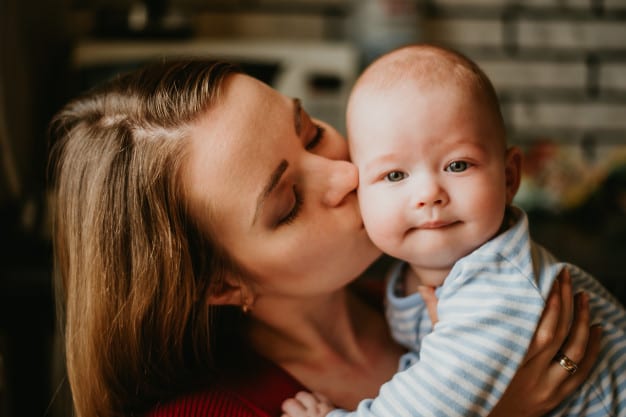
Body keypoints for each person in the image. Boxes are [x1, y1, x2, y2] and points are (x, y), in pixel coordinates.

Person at [47, 58, 601, 417]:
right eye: (288, 203)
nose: (345, 175)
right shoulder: (212, 411)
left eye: (311, 132)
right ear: (221, 284)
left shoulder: (410, 287)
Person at [281, 44, 626, 417]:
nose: (429, 193)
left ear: (509, 178)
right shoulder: (407, 278)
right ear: (360, 189)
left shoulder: (497, 282)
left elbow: (433, 404)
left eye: (458, 165)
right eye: (394, 174)